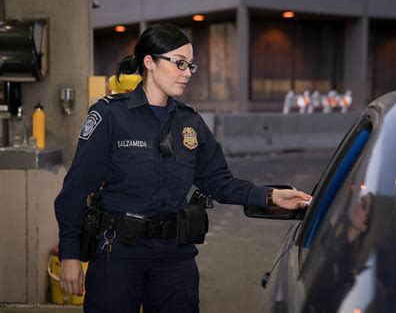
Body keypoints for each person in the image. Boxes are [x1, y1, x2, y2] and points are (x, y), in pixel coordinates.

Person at [54, 23, 312, 313]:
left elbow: (218, 182)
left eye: (190, 65)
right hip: (118, 254)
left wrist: (271, 196)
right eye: (179, 63)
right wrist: (70, 254)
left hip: (174, 257)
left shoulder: (190, 123)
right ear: (149, 62)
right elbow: (76, 189)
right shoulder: (109, 116)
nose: (188, 72)